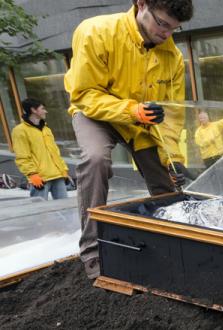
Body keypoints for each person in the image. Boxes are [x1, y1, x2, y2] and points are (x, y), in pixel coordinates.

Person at [63, 0, 194, 279]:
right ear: (141, 4)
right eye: (162, 24)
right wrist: (131, 110)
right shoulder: (95, 32)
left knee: (167, 178)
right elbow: (84, 94)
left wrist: (174, 158)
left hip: (140, 121)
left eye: (175, 29)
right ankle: (93, 252)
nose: (167, 34)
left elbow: (171, 116)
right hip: (96, 114)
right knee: (96, 159)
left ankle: (181, 246)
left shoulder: (173, 57)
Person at [12, 98, 70, 200]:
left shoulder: (46, 129)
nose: (45, 111)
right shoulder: (20, 131)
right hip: (39, 178)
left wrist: (63, 170)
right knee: (40, 212)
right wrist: (32, 174)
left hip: (57, 176)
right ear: (33, 110)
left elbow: (55, 152)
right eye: (42, 108)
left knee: (65, 208)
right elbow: (22, 156)